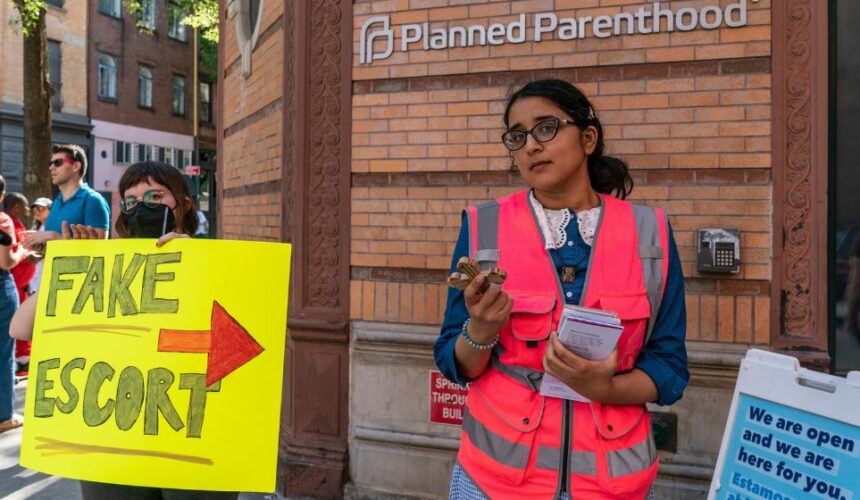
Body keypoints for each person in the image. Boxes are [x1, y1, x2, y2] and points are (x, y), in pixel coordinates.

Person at [433, 79, 689, 499]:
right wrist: (479, 329)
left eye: (546, 128)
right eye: (517, 136)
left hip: (610, 482)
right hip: (495, 479)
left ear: (588, 138)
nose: (531, 145)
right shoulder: (484, 226)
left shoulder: (650, 233)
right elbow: (455, 360)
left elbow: (670, 365)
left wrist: (604, 389)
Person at [11, 161, 236, 499]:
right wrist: (75, 268)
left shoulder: (219, 262)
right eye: (130, 200)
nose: (140, 206)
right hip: (116, 438)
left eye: (154, 196)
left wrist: (194, 262)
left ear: (184, 206)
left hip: (193, 438)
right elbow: (21, 327)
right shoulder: (108, 268)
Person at [22, 144, 110, 252]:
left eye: (58, 162)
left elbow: (99, 251)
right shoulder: (56, 202)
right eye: (51, 163)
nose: (51, 168)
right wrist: (40, 244)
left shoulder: (93, 201)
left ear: (76, 166)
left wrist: (54, 236)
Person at [0, 178, 29, 433]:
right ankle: (5, 415)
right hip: (1, 287)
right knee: (3, 352)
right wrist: (22, 252)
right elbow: (6, 261)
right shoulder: (3, 220)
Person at [3, 192, 35, 376]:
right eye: (25, 205)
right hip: (12, 286)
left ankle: (22, 362)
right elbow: (10, 256)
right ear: (15, 206)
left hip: (21, 286)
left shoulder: (16, 223)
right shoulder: (8, 223)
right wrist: (25, 257)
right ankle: (20, 363)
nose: (28, 209)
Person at [26, 197, 52, 295]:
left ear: (51, 210)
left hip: (45, 281)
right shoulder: (36, 228)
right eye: (35, 208)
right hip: (34, 281)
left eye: (41, 208)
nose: (37, 211)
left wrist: (37, 252)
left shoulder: (53, 229)